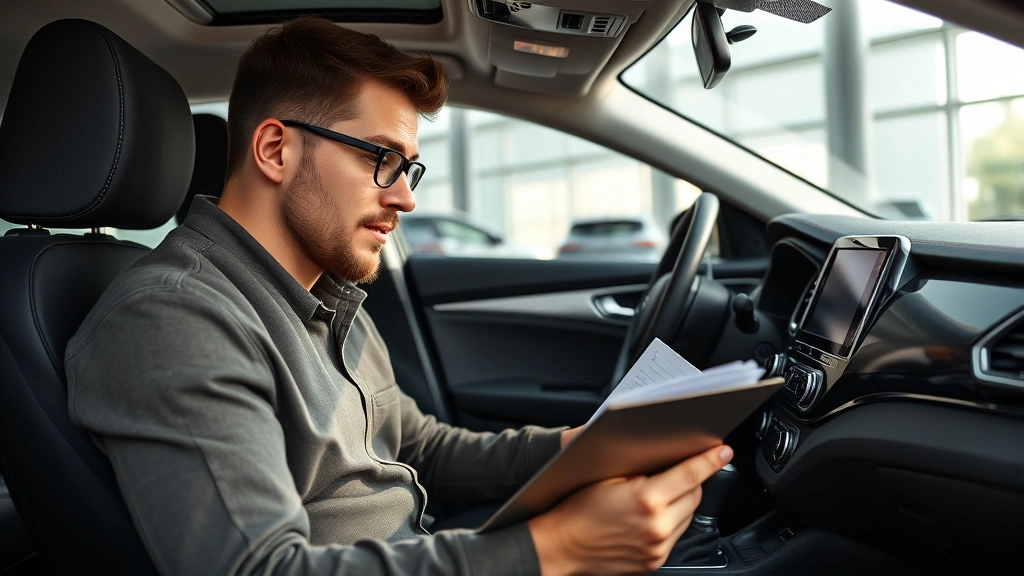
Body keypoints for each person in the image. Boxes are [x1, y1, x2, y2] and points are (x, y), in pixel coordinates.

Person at [65, 17, 732, 576]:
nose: (406, 197)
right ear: (274, 149)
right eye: (378, 158)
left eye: (408, 167)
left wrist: (582, 448)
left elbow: (420, 448)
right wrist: (557, 548)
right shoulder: (172, 318)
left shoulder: (329, 297)